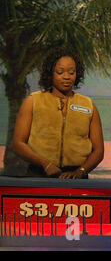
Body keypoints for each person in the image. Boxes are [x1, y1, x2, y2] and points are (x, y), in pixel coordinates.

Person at [12, 49, 104, 178]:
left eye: (71, 72)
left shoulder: (88, 106)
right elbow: (18, 144)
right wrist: (46, 164)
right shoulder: (33, 101)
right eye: (60, 72)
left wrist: (81, 171)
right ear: (50, 73)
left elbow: (98, 151)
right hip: (38, 174)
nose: (66, 76)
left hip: (76, 178)